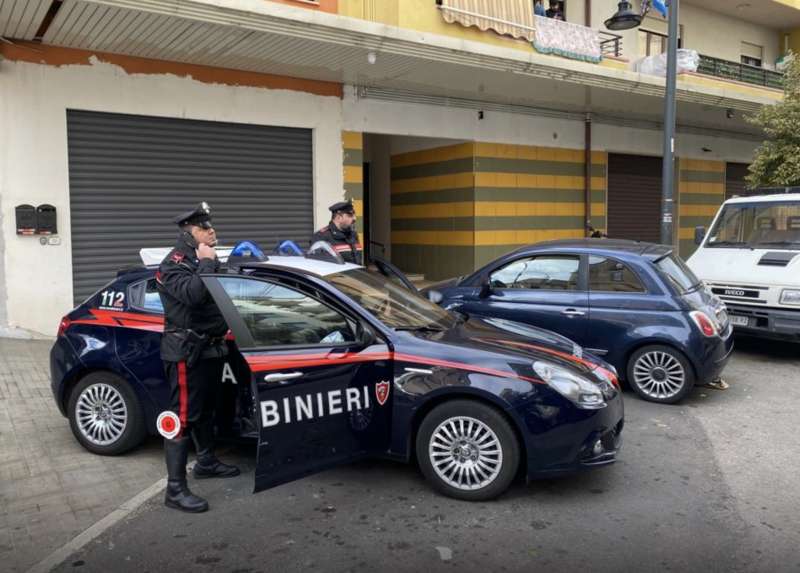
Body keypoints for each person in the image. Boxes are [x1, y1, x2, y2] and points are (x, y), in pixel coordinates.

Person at [156, 201, 240, 513]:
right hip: (185, 352)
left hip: (212, 348)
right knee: (182, 417)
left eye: (210, 225)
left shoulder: (205, 258)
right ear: (190, 232)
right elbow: (192, 295)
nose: (212, 230)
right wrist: (207, 263)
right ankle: (175, 490)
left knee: (205, 411)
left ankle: (205, 461)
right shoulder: (173, 264)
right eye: (205, 227)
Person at [310, 199, 363, 264]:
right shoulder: (321, 237)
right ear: (338, 217)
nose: (354, 218)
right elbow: (318, 265)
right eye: (350, 215)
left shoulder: (352, 234)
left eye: (354, 215)